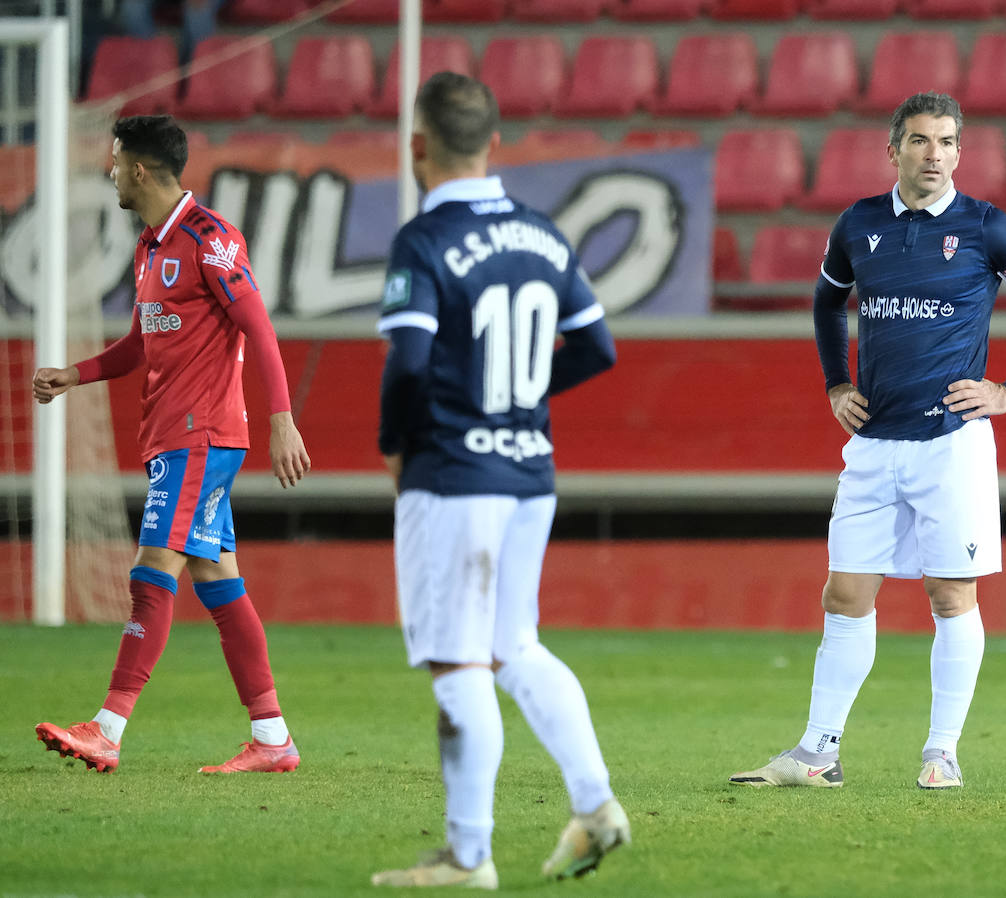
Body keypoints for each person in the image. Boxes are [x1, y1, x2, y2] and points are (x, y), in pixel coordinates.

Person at [729, 92, 1006, 792]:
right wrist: (836, 384)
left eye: (947, 141)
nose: (934, 154)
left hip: (950, 444)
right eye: (920, 141)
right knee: (844, 593)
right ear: (892, 151)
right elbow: (828, 301)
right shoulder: (858, 224)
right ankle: (817, 753)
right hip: (873, 444)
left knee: (951, 597)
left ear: (960, 151)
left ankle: (942, 751)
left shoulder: (988, 228)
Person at [368, 72, 627, 890]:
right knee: (514, 644)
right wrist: (516, 397)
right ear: (496, 146)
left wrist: (394, 444)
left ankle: (468, 855)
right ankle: (595, 806)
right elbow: (598, 348)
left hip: (453, 475)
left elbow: (407, 361)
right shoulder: (543, 234)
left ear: (417, 147)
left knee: (458, 661)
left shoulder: (423, 240)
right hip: (529, 472)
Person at [31, 114, 311, 774]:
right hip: (173, 437)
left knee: (151, 577)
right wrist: (74, 375)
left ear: (139, 170)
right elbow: (138, 344)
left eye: (114, 159)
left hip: (201, 436)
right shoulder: (150, 249)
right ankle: (273, 737)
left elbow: (260, 329)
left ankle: (107, 727)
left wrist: (281, 419)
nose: (108, 171)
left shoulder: (208, 239)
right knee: (218, 584)